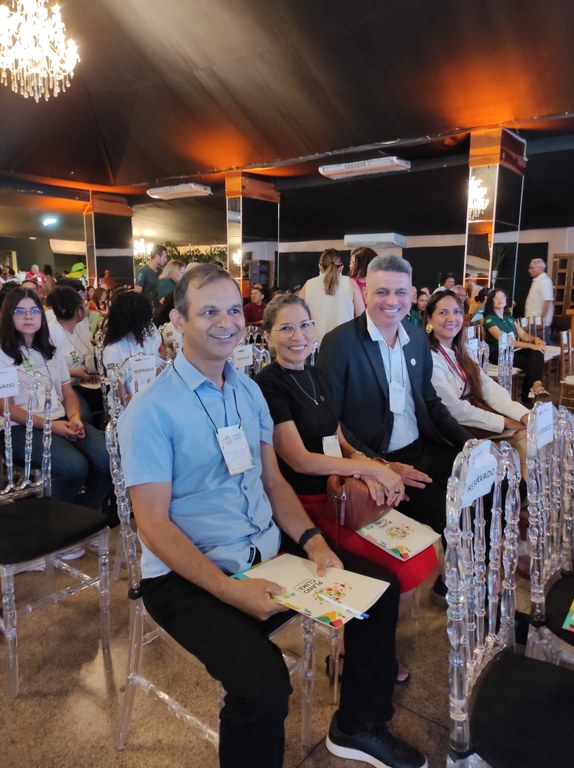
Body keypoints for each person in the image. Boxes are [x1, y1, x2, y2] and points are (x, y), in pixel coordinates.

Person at [117, 264, 427, 768]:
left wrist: (313, 543)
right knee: (262, 685)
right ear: (177, 321)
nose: (226, 323)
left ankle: (356, 727)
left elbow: (273, 482)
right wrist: (228, 590)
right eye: (209, 312)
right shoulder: (152, 410)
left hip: (266, 551)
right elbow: (151, 525)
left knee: (379, 588)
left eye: (233, 310)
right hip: (188, 575)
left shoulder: (247, 392)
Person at [256, 292, 437, 598]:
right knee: (403, 569)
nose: (298, 336)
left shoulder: (315, 374)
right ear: (267, 336)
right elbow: (300, 460)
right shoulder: (268, 384)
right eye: (286, 328)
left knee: (422, 555)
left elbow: (337, 435)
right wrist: (369, 469)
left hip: (342, 488)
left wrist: (367, 462)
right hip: (308, 500)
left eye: (305, 325)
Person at [317, 254, 473, 602]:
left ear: (412, 294)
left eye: (401, 292)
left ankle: (464, 577)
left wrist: (470, 444)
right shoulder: (340, 343)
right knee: (451, 511)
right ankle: (455, 590)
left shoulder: (416, 339)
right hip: (377, 459)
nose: (392, 301)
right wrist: (380, 466)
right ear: (366, 293)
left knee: (487, 481)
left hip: (421, 449)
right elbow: (331, 421)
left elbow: (430, 402)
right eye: (382, 291)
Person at [0, 287, 111, 510]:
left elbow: (68, 393)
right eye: (20, 311)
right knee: (74, 467)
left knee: (108, 457)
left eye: (34, 311)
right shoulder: (4, 354)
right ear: (9, 316)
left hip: (60, 420)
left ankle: (84, 515)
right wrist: (52, 426)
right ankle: (53, 521)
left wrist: (75, 416)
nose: (29, 316)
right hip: (18, 429)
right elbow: (6, 408)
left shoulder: (51, 352)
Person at [426, 290, 529, 476]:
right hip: (454, 429)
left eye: (457, 312)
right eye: (443, 312)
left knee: (528, 432)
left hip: (475, 417)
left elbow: (487, 386)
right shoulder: (430, 357)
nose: (452, 318)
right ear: (429, 320)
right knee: (521, 441)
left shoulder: (462, 350)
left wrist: (522, 414)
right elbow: (454, 410)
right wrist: (504, 421)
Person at [46, 286, 102, 423]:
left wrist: (91, 372)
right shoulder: (51, 333)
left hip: (84, 382)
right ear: (78, 310)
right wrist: (74, 373)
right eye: (83, 305)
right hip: (64, 388)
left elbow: (87, 352)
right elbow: (46, 371)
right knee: (84, 417)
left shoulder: (81, 326)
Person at [483, 288, 548, 404]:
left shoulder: (509, 317)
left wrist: (535, 339)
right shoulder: (489, 319)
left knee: (537, 353)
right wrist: (531, 346)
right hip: (499, 353)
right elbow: (505, 341)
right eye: (496, 298)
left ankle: (535, 385)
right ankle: (529, 395)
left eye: (502, 297)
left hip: (513, 350)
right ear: (491, 301)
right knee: (532, 363)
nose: (500, 300)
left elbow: (523, 334)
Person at [102, 291, 165, 402]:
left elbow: (158, 371)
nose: (148, 322)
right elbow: (121, 394)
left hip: (151, 400)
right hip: (127, 406)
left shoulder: (149, 340)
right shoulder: (113, 349)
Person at [299, 249, 364, 341]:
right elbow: (362, 320)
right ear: (341, 267)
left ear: (320, 267)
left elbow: (297, 317)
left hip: (316, 344)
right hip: (344, 342)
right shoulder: (350, 284)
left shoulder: (308, 285)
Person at [525, 258, 554, 344]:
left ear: (540, 268)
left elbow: (548, 301)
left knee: (542, 344)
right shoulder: (537, 280)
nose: (529, 270)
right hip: (533, 321)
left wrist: (542, 320)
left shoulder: (544, 281)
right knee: (536, 345)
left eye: (532, 268)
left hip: (538, 323)